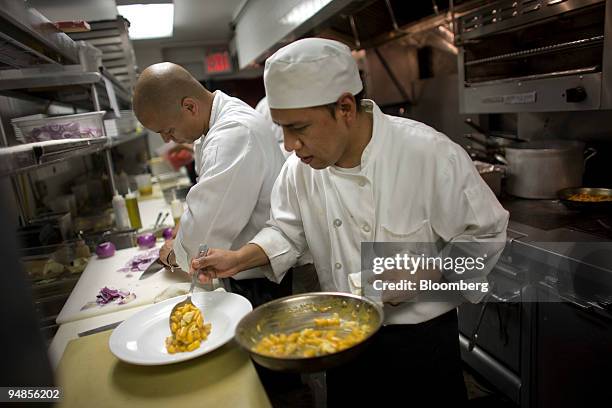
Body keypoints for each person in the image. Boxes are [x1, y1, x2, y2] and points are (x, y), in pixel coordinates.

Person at [191, 38, 510, 405]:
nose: (291, 144)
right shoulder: (301, 170)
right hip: (342, 343)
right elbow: (286, 232)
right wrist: (238, 259)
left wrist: (434, 272)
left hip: (420, 347)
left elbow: (488, 234)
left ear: (344, 108)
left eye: (300, 128)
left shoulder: (428, 154)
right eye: (283, 130)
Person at [132, 62, 289, 307]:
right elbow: (208, 196)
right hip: (246, 266)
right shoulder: (219, 118)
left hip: (264, 280)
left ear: (190, 106)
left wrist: (174, 255)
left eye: (169, 130)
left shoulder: (233, 133)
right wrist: (184, 228)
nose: (167, 140)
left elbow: (202, 241)